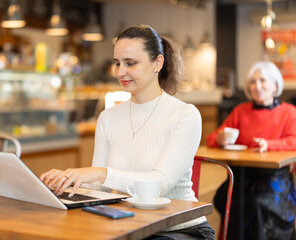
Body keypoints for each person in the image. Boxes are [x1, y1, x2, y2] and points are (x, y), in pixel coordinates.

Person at [40, 24, 215, 240]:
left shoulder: (184, 115)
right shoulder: (108, 117)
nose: (120, 72)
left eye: (130, 63)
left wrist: (100, 172)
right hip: (128, 225)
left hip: (179, 229)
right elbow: (101, 188)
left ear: (157, 63)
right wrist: (69, 180)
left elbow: (160, 184)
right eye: (117, 63)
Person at [207, 61, 296, 240]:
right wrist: (220, 138)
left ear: (275, 85)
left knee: (257, 203)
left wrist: (269, 145)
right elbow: (211, 139)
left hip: (274, 177)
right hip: (241, 175)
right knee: (222, 198)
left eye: (263, 81)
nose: (257, 86)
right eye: (253, 82)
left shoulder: (289, 112)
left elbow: (293, 140)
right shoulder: (240, 111)